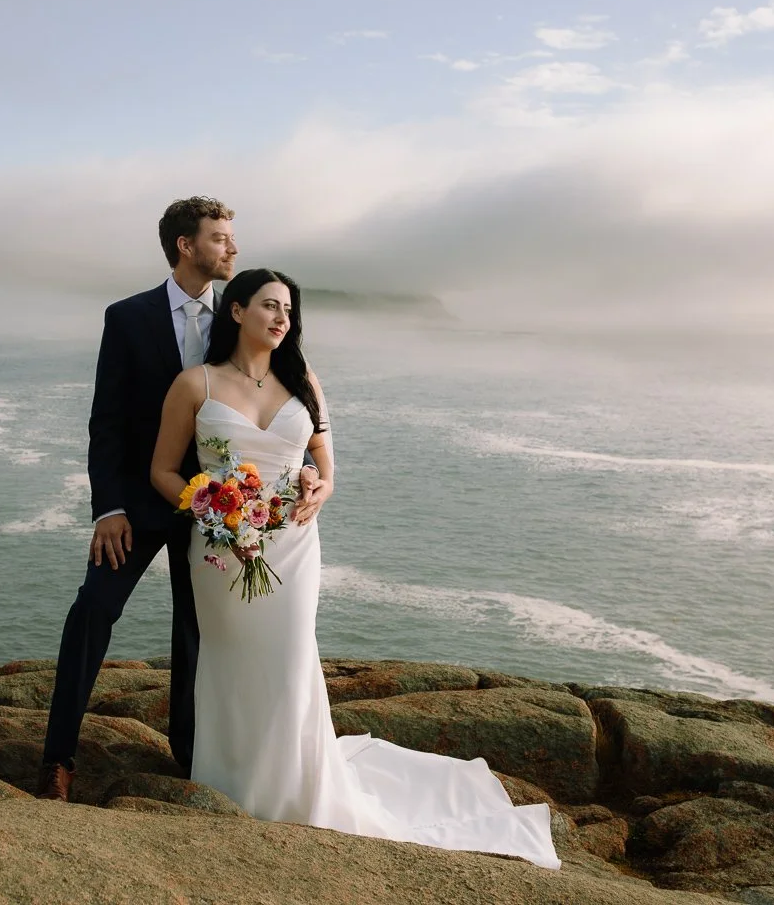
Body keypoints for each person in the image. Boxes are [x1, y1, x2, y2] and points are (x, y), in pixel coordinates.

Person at [150, 268, 561, 868]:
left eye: (289, 309)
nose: (282, 318)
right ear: (236, 312)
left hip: (291, 541)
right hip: (221, 550)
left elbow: (323, 458)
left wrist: (323, 489)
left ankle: (299, 788)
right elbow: (163, 470)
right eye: (269, 306)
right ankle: (233, 779)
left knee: (290, 657)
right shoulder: (196, 384)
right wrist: (209, 509)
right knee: (227, 661)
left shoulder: (302, 378)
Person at [37, 199, 321, 801]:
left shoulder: (241, 315)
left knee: (198, 634)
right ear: (186, 246)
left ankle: (195, 759)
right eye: (221, 238)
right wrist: (108, 508)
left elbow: (283, 404)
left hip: (230, 515)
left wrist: (299, 479)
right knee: (93, 611)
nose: (233, 248)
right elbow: (106, 422)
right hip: (144, 500)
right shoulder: (128, 317)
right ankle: (57, 758)